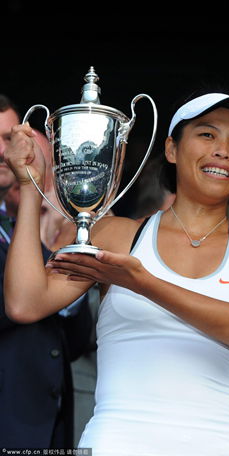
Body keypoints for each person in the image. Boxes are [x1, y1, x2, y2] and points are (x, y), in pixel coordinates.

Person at [4, 90, 229, 455]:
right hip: (114, 442)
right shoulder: (116, 234)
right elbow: (25, 303)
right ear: (172, 149)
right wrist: (30, 186)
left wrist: (142, 283)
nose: (223, 150)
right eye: (207, 135)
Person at [0, 94, 93, 449]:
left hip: (49, 425)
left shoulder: (19, 229)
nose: (8, 150)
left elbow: (75, 341)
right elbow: (20, 305)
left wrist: (69, 260)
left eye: (13, 137)